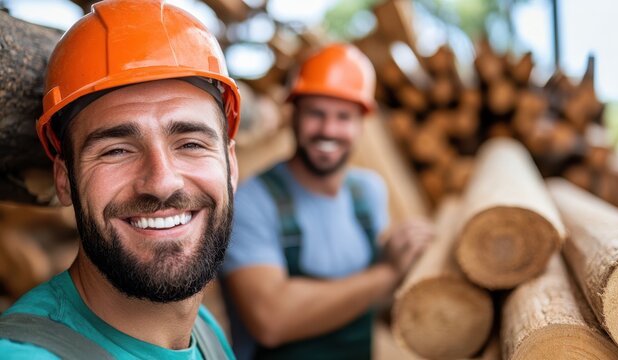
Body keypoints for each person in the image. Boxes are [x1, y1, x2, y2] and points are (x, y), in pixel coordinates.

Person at [0, 1, 241, 359]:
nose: (162, 182)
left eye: (190, 144)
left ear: (230, 165)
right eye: (116, 150)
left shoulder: (203, 330)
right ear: (64, 180)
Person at [221, 44, 433, 360]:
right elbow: (271, 320)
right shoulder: (252, 201)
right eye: (316, 113)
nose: (328, 129)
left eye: (343, 116)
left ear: (362, 122)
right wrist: (388, 274)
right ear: (293, 114)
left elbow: (372, 303)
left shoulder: (369, 192)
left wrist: (411, 259)